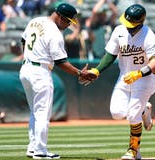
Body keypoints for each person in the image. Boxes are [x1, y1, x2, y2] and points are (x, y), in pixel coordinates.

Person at [80, 4, 155, 160]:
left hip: (146, 78)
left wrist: (139, 73)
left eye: (131, 24)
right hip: (125, 75)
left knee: (132, 115)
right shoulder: (119, 31)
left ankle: (134, 150)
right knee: (117, 113)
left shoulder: (149, 36)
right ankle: (144, 110)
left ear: (141, 22)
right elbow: (110, 54)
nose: (127, 26)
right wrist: (96, 70)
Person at [19, 2, 96, 159]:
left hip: (26, 69)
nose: (68, 25)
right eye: (68, 21)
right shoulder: (54, 33)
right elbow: (61, 61)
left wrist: (30, 55)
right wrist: (80, 73)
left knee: (35, 112)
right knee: (42, 114)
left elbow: (23, 41)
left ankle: (33, 147)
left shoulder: (35, 21)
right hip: (40, 72)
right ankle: (40, 151)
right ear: (60, 16)